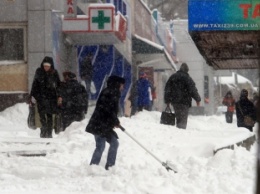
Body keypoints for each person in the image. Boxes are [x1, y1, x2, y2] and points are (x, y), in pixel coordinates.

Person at [86, 75, 125, 170]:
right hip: (99, 125)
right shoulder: (111, 93)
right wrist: (115, 121)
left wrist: (114, 121)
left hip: (104, 125)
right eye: (122, 85)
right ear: (118, 84)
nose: (123, 87)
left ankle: (110, 166)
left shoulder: (110, 92)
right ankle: (94, 166)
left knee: (114, 143)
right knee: (101, 146)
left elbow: (109, 111)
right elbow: (108, 110)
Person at [30, 56, 61, 138]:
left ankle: (49, 133)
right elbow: (35, 85)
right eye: (44, 66)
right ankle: (43, 132)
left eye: (47, 66)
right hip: (41, 98)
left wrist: (60, 96)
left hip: (51, 99)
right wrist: (32, 96)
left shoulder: (54, 73)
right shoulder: (39, 72)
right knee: (42, 116)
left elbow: (59, 86)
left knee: (50, 116)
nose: (46, 67)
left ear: (51, 66)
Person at [164, 63, 201, 129]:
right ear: (187, 70)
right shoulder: (188, 78)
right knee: (183, 119)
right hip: (185, 102)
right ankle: (181, 133)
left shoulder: (173, 77)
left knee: (178, 117)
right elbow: (193, 90)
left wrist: (167, 100)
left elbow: (167, 89)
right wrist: (197, 99)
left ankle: (178, 130)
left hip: (175, 102)